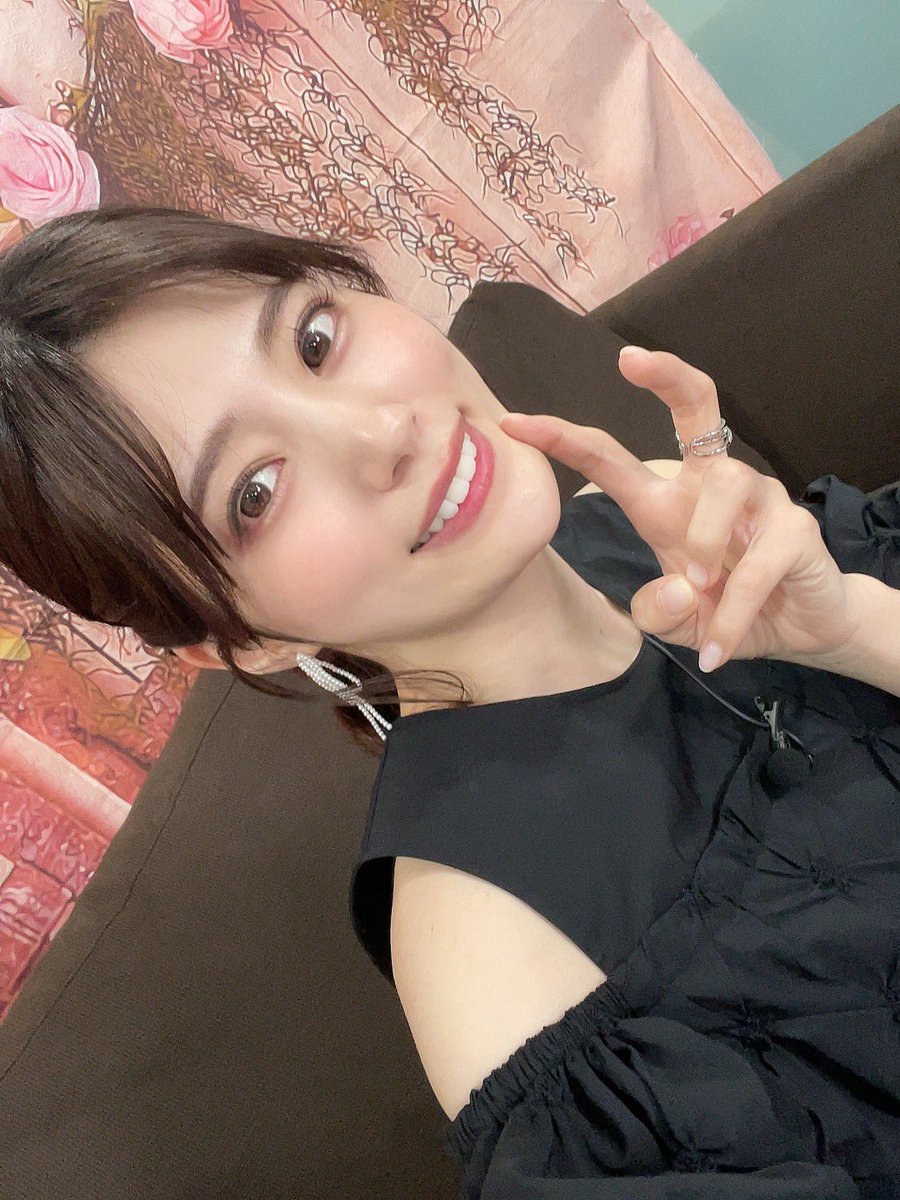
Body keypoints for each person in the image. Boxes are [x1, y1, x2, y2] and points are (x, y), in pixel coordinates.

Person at [0, 206, 897, 1197]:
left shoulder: (640, 520)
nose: (383, 432)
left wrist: (853, 628)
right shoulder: (503, 974)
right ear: (239, 641)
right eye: (254, 492)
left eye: (315, 341)